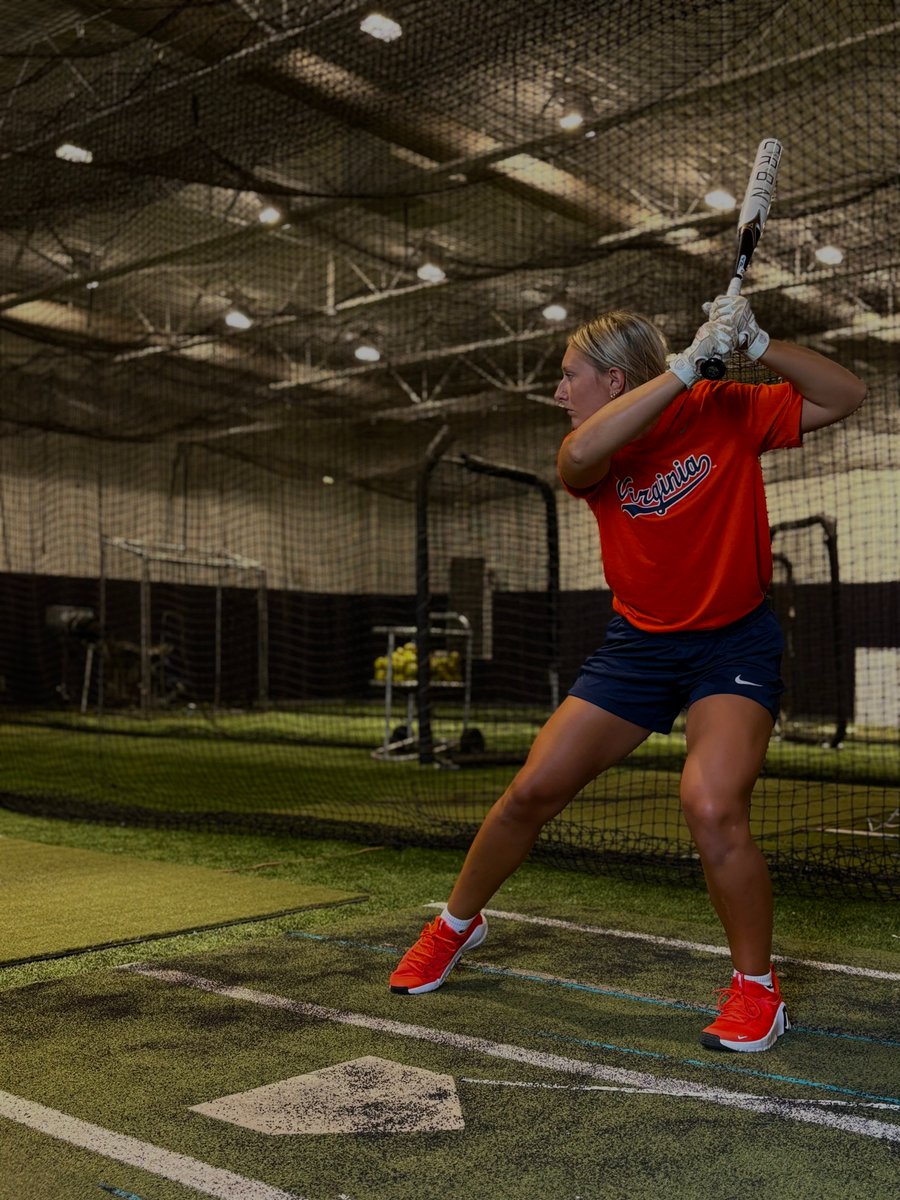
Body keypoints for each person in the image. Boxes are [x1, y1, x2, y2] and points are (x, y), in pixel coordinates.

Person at [388, 295, 866, 1052]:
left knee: (710, 806)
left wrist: (758, 340)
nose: (558, 389)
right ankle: (456, 925)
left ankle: (757, 991)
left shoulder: (726, 408)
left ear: (612, 379)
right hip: (637, 647)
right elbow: (576, 459)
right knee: (530, 791)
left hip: (732, 644)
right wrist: (682, 367)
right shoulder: (598, 445)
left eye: (568, 374)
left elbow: (846, 395)